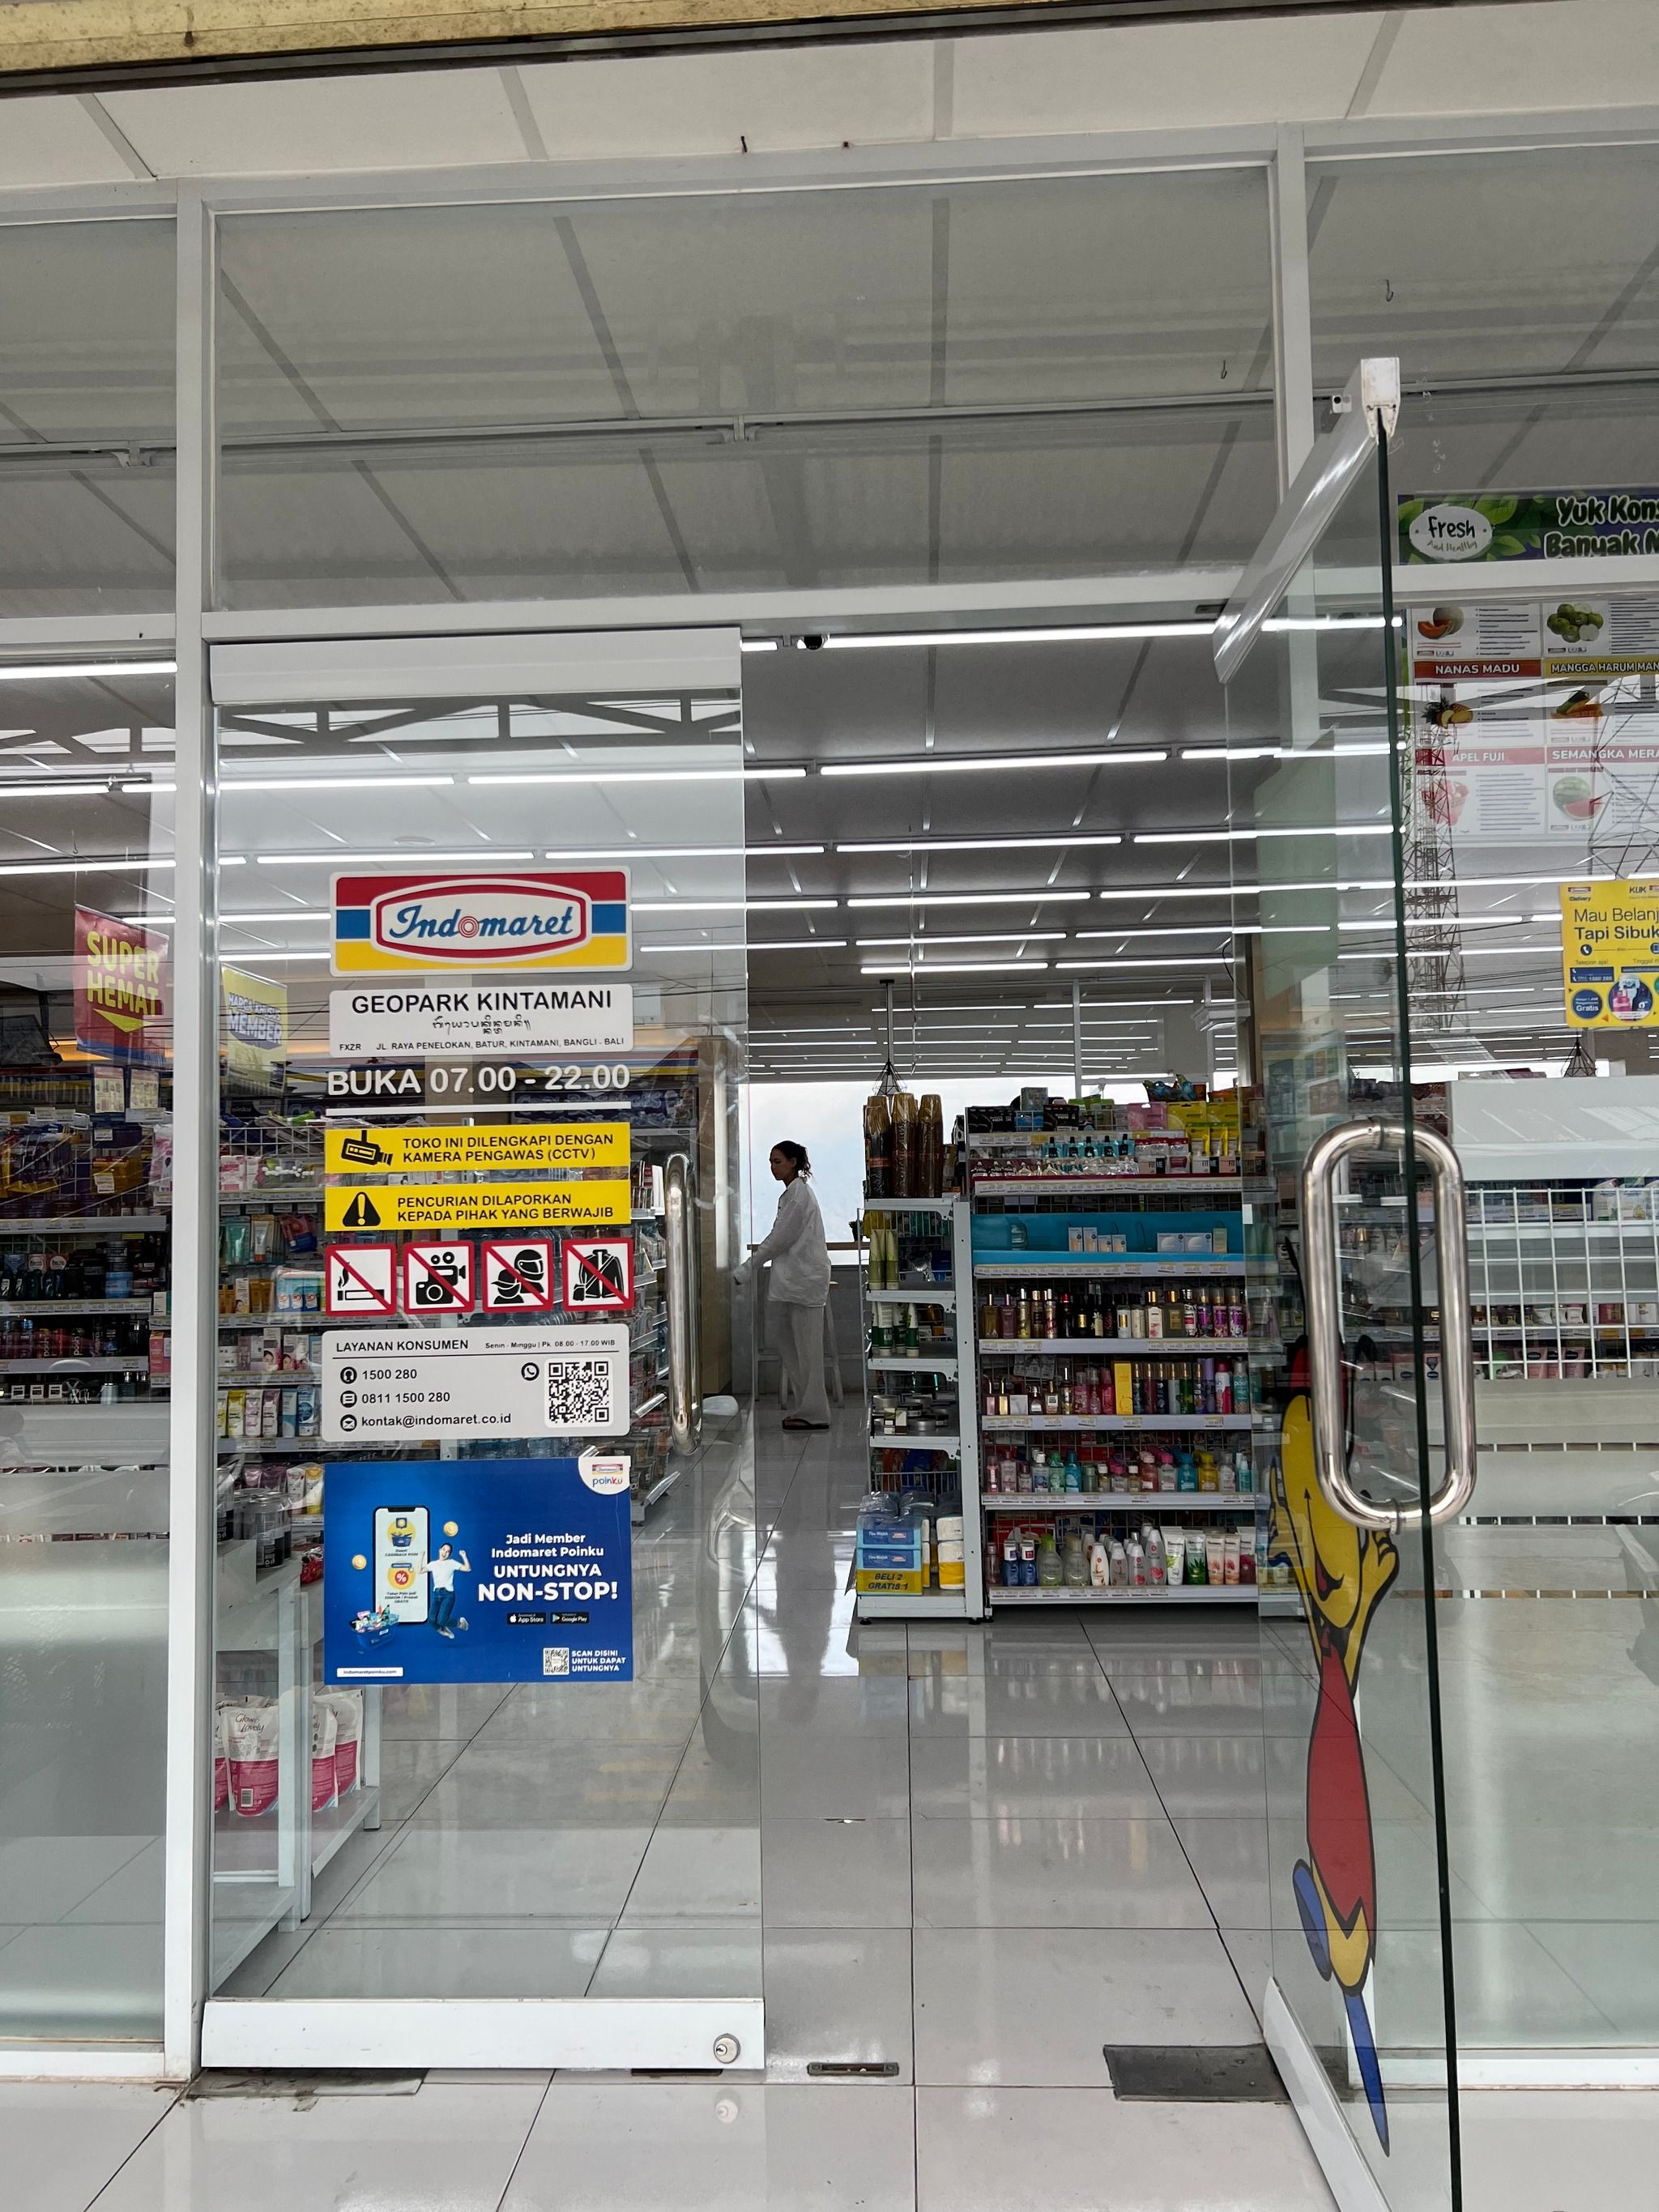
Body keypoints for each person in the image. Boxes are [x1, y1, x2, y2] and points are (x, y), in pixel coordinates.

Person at [748, 1140, 833, 1429]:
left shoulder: (798, 1197)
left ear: (793, 1163)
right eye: (771, 1162)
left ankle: (815, 1413)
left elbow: (779, 1239)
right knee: (790, 1345)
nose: (773, 1167)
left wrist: (749, 1267)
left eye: (778, 1161)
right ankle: (805, 1407)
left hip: (805, 1282)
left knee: (807, 1351)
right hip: (796, 1282)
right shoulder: (791, 1195)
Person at [424, 1541, 471, 1639]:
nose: (445, 1552)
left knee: (442, 1620)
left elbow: (467, 1569)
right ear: (440, 1550)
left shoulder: (451, 1563)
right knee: (431, 1620)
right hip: (437, 1594)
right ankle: (443, 1630)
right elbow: (419, 1571)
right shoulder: (433, 1564)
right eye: (444, 1549)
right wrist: (421, 1556)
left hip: (448, 1594)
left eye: (448, 1551)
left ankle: (460, 1623)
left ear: (449, 1554)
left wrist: (464, 1556)